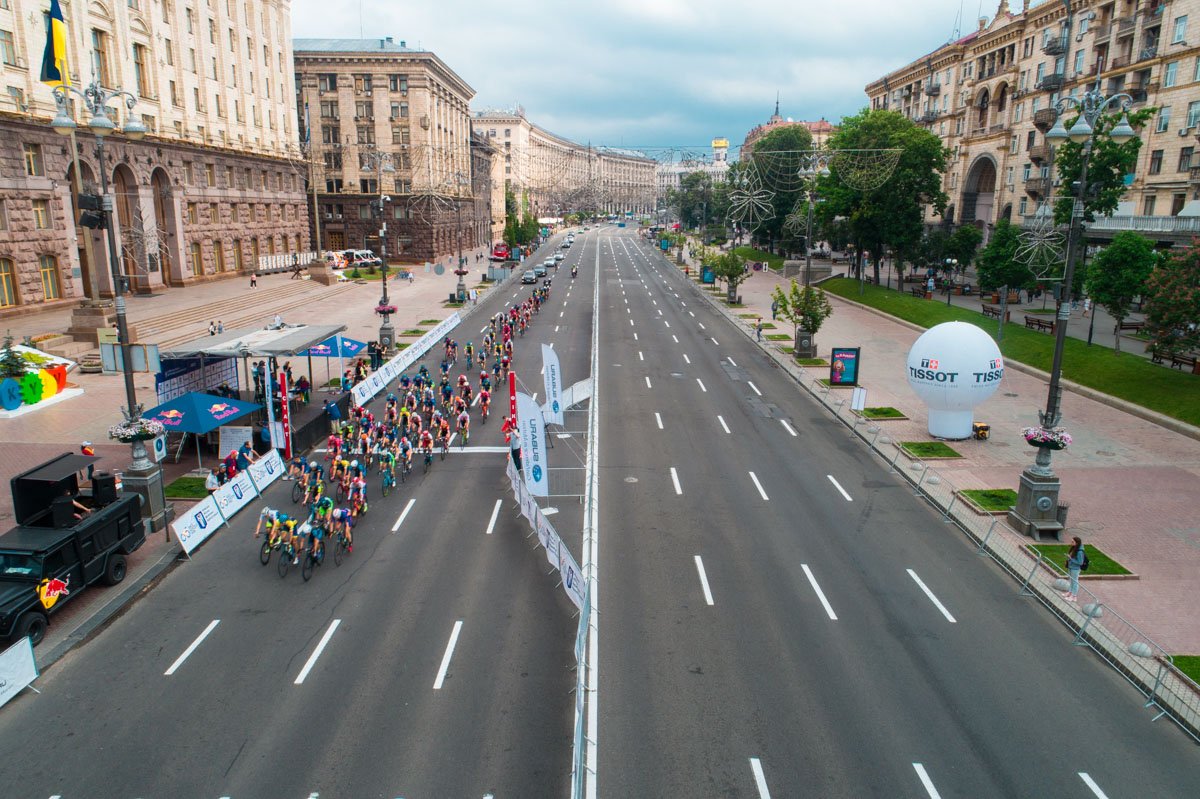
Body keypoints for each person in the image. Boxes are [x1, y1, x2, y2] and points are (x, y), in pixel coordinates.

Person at [1064, 536, 1086, 602]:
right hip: (1071, 567)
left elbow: (1080, 562)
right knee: (1071, 580)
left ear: (1077, 543)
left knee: (1075, 581)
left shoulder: (1079, 552)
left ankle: (1074, 596)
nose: (1071, 542)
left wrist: (1071, 559)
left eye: (1073, 542)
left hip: (1075, 569)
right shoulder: (1074, 548)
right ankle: (1070, 592)